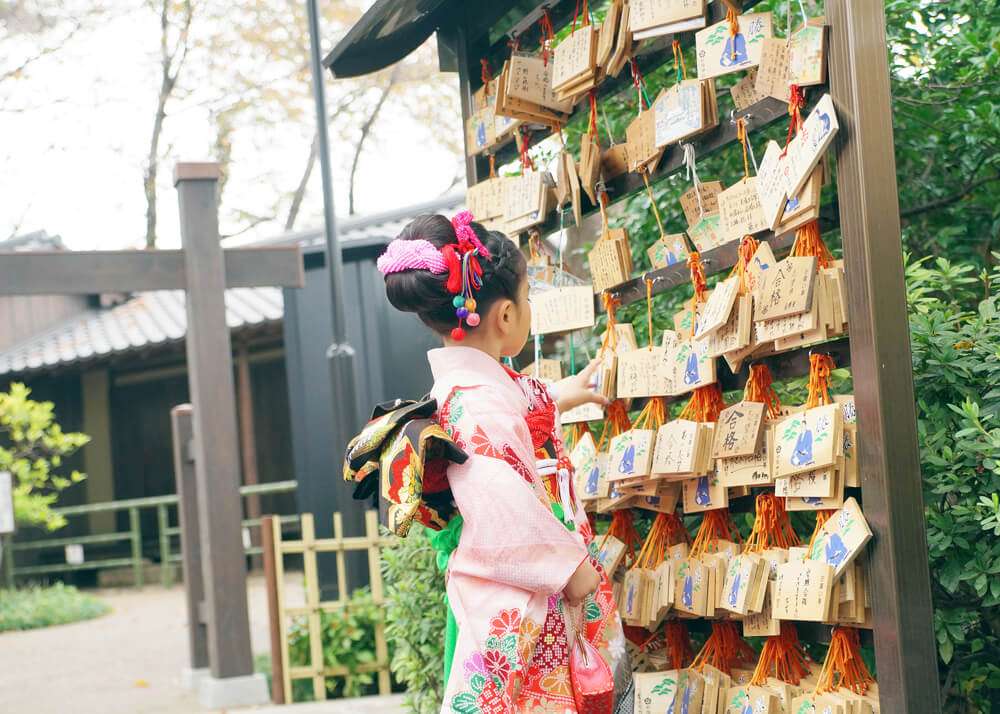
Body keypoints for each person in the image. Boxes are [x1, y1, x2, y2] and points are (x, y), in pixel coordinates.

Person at [376, 211, 629, 713]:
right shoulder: (477, 399)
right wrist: (571, 571)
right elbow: (504, 508)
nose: (529, 308)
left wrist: (568, 393)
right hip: (521, 597)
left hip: (521, 586)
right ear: (506, 317)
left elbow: (522, 406)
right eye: (528, 297)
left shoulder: (473, 388)